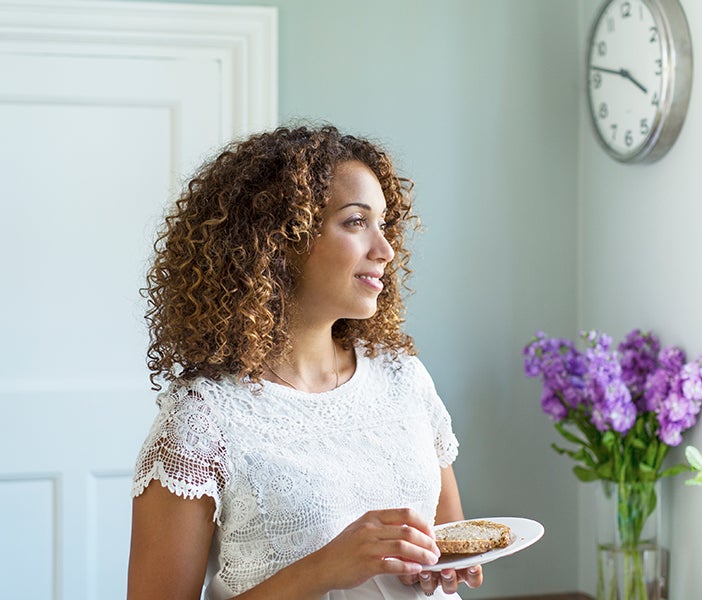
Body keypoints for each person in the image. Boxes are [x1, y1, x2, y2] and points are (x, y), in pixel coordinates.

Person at [126, 125, 483, 599]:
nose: (385, 249)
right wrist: (321, 570)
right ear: (279, 238)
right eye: (356, 222)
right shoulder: (203, 420)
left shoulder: (402, 377)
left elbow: (448, 541)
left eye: (383, 223)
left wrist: (443, 566)